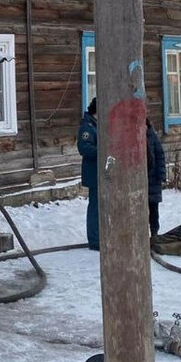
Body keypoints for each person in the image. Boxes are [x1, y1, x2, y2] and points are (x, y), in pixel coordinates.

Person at [78, 97, 99, 249]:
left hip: (102, 171)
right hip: (93, 172)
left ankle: (101, 235)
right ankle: (94, 240)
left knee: (102, 205)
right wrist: (104, 151)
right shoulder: (88, 126)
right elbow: (84, 148)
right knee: (95, 207)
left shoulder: (98, 125)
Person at [147, 117, 167, 239]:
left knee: (153, 209)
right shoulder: (131, 134)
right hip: (139, 179)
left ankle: (154, 233)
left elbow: (160, 154)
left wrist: (161, 174)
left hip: (153, 178)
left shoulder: (151, 134)